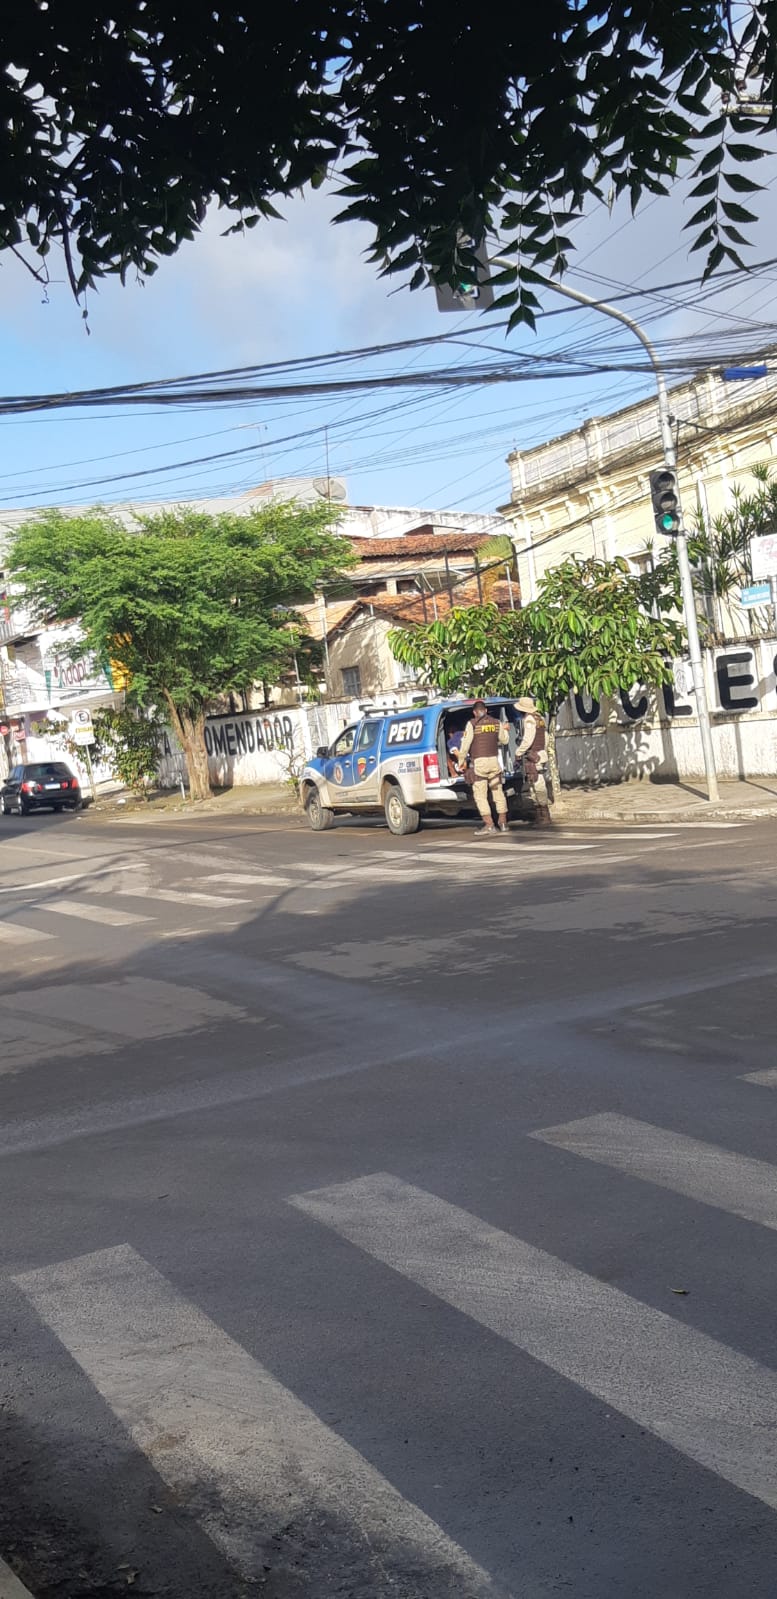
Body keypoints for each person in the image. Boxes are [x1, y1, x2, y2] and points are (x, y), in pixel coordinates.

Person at [455, 700, 510, 836]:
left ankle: (489, 825)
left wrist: (461, 761)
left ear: (475, 712)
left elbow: (466, 744)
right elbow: (505, 740)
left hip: (479, 763)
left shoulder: (472, 724)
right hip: (494, 761)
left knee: (480, 795)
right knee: (498, 792)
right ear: (485, 711)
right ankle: (503, 823)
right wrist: (504, 729)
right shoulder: (496, 722)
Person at [514, 696, 553, 827]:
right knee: (533, 783)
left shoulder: (529, 720)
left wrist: (519, 752)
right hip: (539, 754)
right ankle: (540, 816)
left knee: (537, 785)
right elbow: (545, 737)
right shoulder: (539, 718)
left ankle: (544, 816)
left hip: (533, 755)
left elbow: (528, 739)